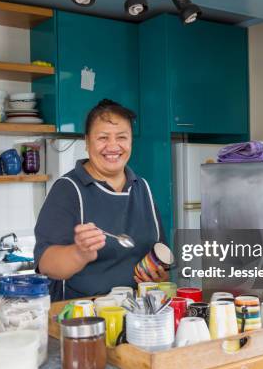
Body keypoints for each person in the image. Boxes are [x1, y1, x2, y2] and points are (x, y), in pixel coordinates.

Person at [34, 99, 169, 300]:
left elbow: (158, 253)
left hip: (139, 314)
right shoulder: (69, 189)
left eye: (122, 137)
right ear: (87, 142)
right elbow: (46, 264)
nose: (113, 146)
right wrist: (79, 253)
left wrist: (159, 275)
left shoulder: (142, 188)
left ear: (131, 141)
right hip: (83, 318)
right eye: (103, 137)